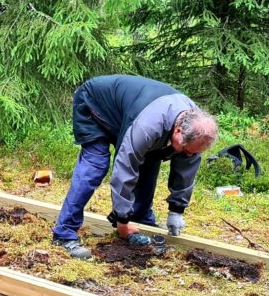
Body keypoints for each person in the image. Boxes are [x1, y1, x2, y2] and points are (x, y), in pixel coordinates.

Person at [51, 74, 218, 259]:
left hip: (130, 114)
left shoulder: (196, 130)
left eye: (194, 152)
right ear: (178, 131)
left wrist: (176, 210)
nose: (188, 154)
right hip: (95, 104)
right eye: (186, 149)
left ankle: (141, 219)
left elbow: (186, 169)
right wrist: (121, 219)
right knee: (95, 164)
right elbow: (125, 168)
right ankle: (64, 233)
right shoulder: (149, 125)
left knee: (150, 158)